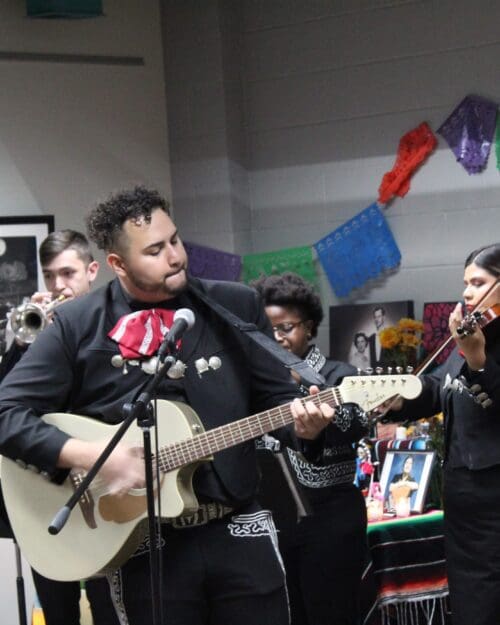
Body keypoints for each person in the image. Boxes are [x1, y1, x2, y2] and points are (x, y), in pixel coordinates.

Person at [0, 187, 334, 625]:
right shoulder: (77, 324)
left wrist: (304, 427)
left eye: (174, 240)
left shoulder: (236, 303)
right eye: (154, 250)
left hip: (236, 525)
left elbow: (278, 399)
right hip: (139, 542)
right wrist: (95, 458)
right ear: (117, 264)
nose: (174, 257)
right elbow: (6, 414)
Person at [0, 230, 119, 625]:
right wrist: (22, 343)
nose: (57, 286)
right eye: (49, 276)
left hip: (103, 482)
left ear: (91, 270)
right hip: (46, 484)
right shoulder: (39, 332)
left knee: (109, 604)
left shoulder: (111, 324)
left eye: (67, 273)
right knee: (57, 609)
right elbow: (7, 403)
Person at [382, 243, 500, 625]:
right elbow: (440, 387)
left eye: (478, 282)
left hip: (493, 497)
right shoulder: (470, 330)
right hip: (464, 499)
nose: (466, 292)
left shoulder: (476, 341)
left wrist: (479, 359)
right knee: (470, 603)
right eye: (465, 282)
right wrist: (400, 399)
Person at [252, 272, 369, 625]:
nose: (277, 338)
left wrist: (303, 391)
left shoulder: (339, 374)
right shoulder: (252, 383)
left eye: (286, 328)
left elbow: (356, 424)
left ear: (310, 327)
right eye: (268, 330)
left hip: (331, 523)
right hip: (272, 526)